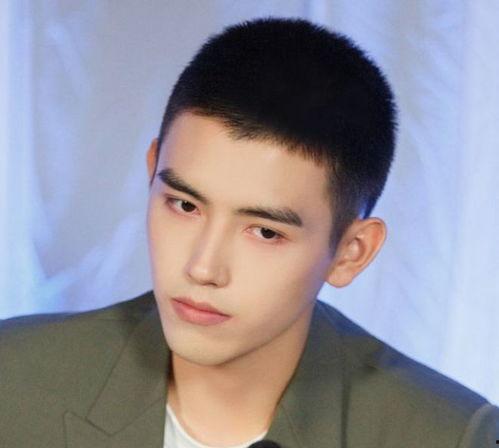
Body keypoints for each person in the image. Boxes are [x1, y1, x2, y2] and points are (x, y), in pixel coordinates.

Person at [0, 16, 497, 448]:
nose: (202, 267)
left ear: (351, 252)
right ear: (152, 172)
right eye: (184, 205)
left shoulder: (448, 435)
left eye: (264, 232)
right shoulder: (13, 380)